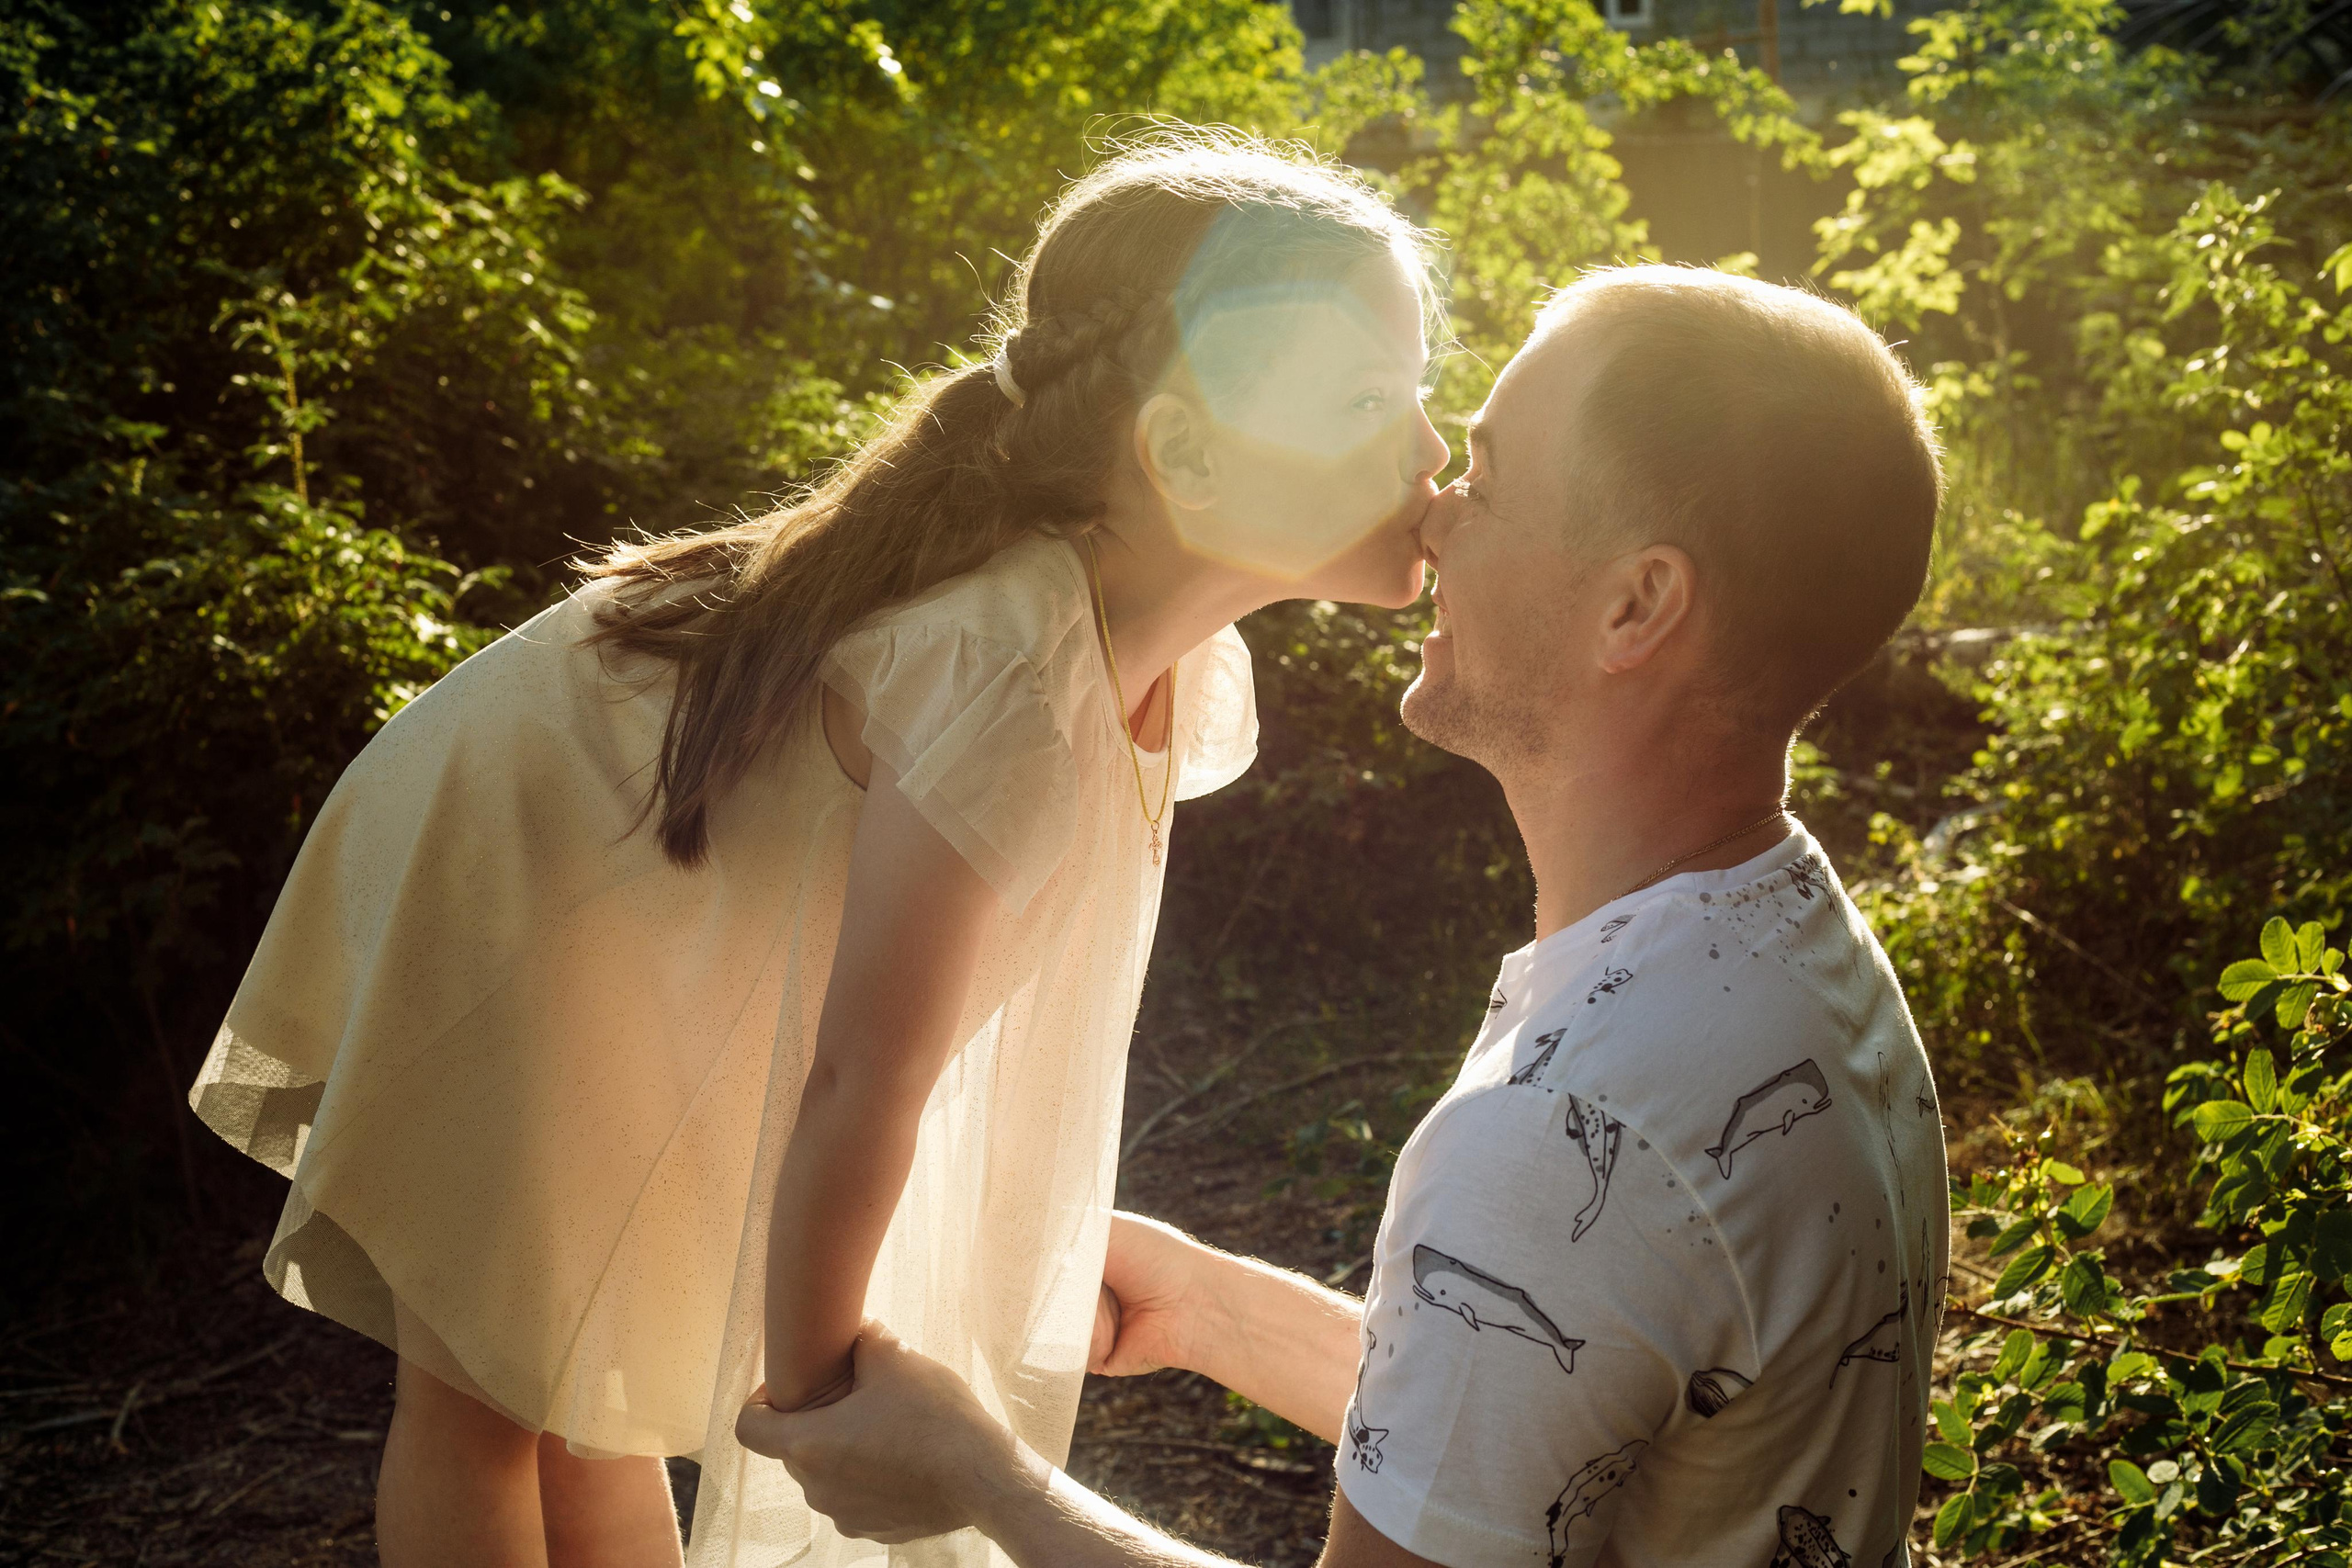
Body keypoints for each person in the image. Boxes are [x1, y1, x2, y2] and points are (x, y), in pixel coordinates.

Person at [186, 132, 1452, 1568]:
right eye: (1367, 400)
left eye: (1422, 394)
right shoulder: (1008, 674)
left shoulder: (1170, 669)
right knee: (493, 1385)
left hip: (670, 895)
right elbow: (867, 1074)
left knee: (601, 1404)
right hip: (525, 843)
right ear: (1190, 456)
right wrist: (812, 1402)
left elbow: (960, 1024)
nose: (1432, 450)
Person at [734, 265, 1953, 1568]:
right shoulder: (1800, 950)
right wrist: (1208, 1310)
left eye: (1483, 476)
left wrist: (986, 1481)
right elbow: (1585, 1392)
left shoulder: (1562, 1133)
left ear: (1635, 606)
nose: (1431, 518)